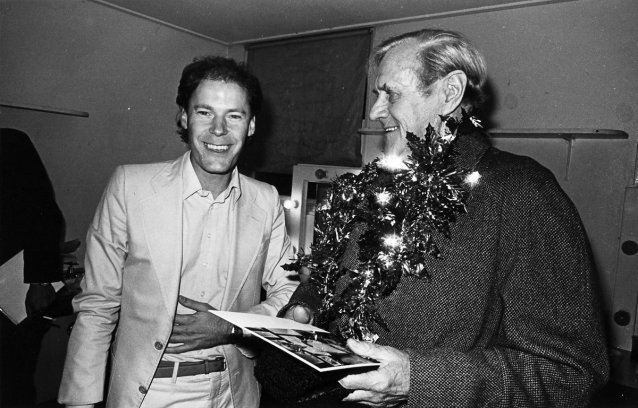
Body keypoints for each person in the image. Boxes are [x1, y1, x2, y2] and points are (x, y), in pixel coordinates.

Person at [283, 28, 609, 407]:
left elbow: (571, 373)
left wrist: (418, 381)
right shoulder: (371, 187)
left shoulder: (522, 191)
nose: (374, 112)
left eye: (390, 93)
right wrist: (305, 305)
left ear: (450, 92)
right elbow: (334, 280)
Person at [58, 56, 298, 408]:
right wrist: (80, 401)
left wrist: (232, 327)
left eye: (234, 115)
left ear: (250, 126)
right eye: (204, 112)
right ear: (184, 117)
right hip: (150, 393)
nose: (219, 130)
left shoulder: (265, 199)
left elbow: (289, 288)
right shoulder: (131, 186)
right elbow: (98, 303)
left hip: (235, 392)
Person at [0, 128, 66, 406]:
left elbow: (46, 214)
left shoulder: (10, 144)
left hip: (16, 293)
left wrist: (40, 283)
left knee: (12, 383)